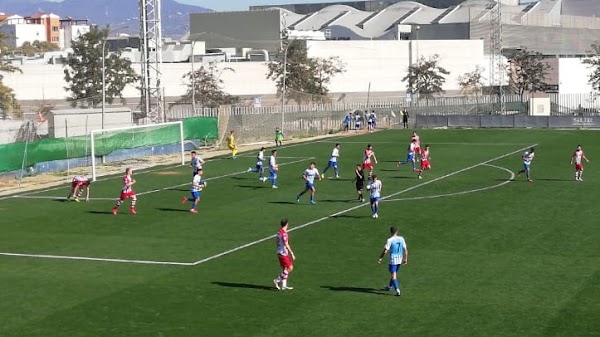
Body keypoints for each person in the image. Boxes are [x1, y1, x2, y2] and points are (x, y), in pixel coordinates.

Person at [377, 226, 408, 297]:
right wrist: (405, 258)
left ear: (391, 232)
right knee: (394, 273)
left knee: (393, 276)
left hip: (393, 260)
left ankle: (397, 290)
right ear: (397, 232)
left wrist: (380, 258)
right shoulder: (401, 238)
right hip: (400, 258)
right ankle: (389, 287)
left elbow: (385, 251)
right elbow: (405, 249)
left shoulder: (390, 240)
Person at [273, 218, 296, 290]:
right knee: (290, 268)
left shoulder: (279, 232)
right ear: (287, 224)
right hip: (283, 253)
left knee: (285, 269)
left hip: (279, 252)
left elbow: (276, 241)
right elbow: (286, 244)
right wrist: (291, 253)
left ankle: (284, 285)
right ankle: (277, 280)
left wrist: (279, 249)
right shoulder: (284, 234)